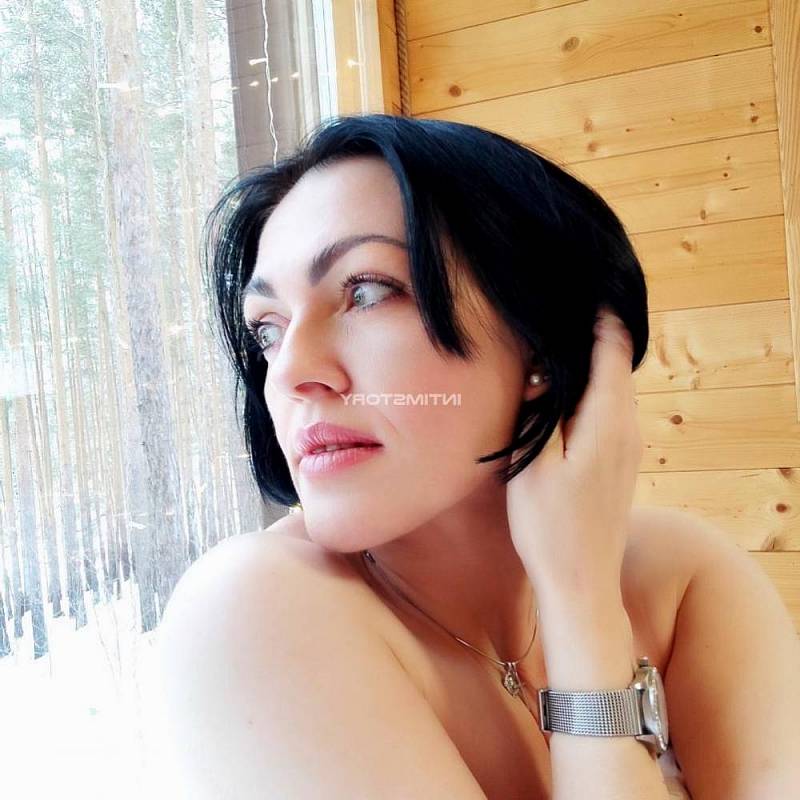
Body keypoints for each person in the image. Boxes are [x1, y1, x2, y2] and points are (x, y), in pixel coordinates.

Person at [158, 113, 800, 799]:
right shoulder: (256, 608)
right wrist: (584, 611)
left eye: (366, 291)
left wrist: (578, 593)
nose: (288, 372)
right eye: (268, 329)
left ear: (541, 340)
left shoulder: (680, 577)